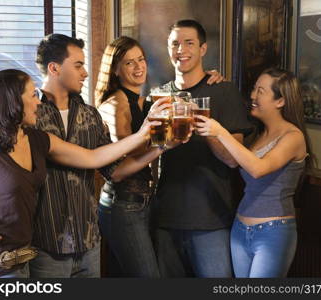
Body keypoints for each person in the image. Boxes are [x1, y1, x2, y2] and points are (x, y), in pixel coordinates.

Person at [0, 69, 156, 278]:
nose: (38, 102)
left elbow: (93, 157)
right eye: (32, 95)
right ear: (13, 102)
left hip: (25, 263)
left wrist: (145, 135)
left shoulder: (37, 139)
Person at [94, 36, 224, 277]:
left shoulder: (145, 101)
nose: (138, 67)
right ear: (115, 70)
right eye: (129, 63)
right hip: (123, 202)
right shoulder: (116, 104)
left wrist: (212, 78)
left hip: (144, 201)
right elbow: (119, 168)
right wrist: (162, 147)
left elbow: (186, 100)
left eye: (141, 59)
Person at [152, 19, 252, 278]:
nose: (181, 50)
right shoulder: (160, 96)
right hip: (165, 217)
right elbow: (151, 156)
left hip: (211, 220)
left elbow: (233, 160)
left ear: (203, 49)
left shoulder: (224, 91)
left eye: (189, 43)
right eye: (175, 44)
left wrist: (204, 127)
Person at [196, 68, 313, 278]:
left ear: (280, 101)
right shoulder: (258, 134)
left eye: (260, 91)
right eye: (253, 89)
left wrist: (221, 132)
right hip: (240, 229)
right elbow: (234, 160)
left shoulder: (293, 137)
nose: (252, 95)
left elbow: (258, 169)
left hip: (273, 232)